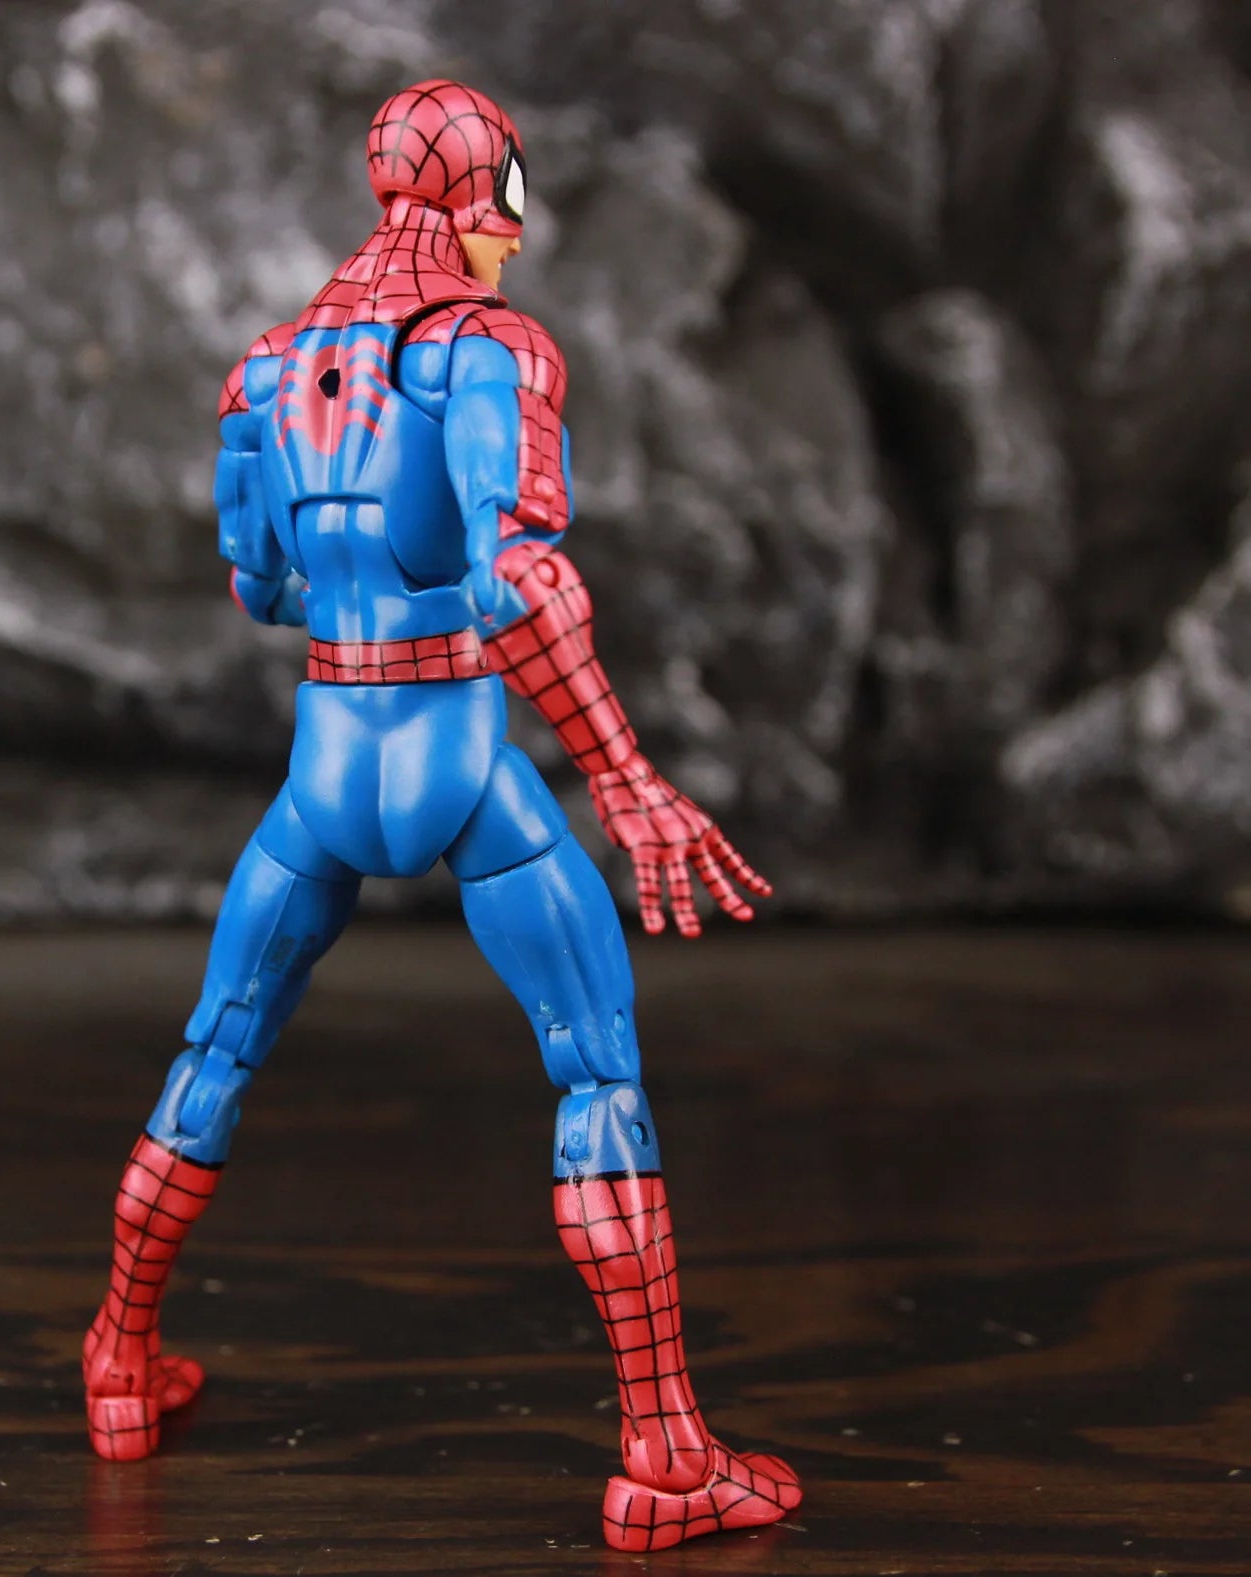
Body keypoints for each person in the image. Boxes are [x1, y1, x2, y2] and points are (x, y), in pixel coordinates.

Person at [82, 78, 801, 1552]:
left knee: (215, 1049)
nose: (514, 241)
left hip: (326, 763)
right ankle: (664, 1454)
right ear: (476, 197)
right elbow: (519, 574)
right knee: (596, 1077)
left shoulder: (266, 369)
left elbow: (259, 586)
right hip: (459, 761)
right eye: (509, 206)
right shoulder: (489, 351)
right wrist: (623, 772)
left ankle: (117, 1358)